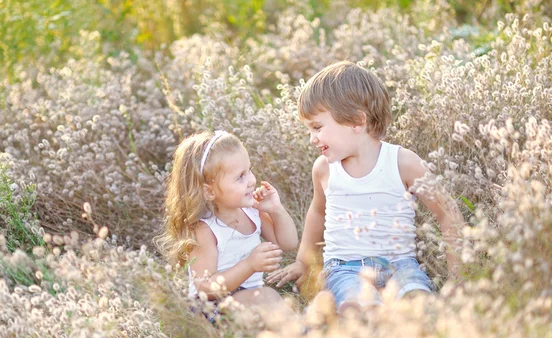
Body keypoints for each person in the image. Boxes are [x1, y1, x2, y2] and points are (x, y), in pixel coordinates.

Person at [267, 61, 464, 313]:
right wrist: (303, 263)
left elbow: (446, 211)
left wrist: (459, 279)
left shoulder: (402, 162)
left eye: (317, 127)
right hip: (344, 269)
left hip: (400, 266)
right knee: (356, 307)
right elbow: (317, 213)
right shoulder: (325, 169)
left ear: (357, 121)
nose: (312, 138)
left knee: (420, 304)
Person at [155, 130, 298, 315]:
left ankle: (301, 336)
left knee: (268, 301)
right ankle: (303, 336)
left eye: (250, 170)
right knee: (267, 298)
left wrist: (276, 210)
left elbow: (288, 243)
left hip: (249, 300)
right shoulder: (205, 229)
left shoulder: (252, 211)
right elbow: (205, 288)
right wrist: (250, 265)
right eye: (240, 176)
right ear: (210, 192)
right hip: (212, 309)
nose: (252, 180)